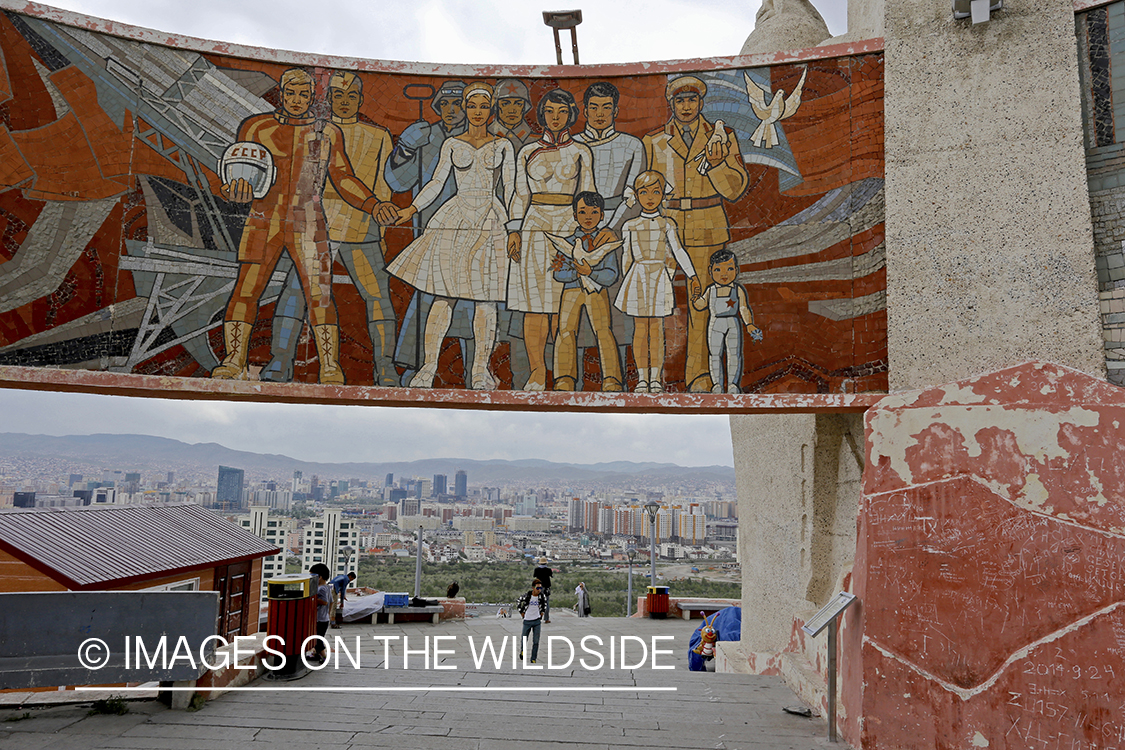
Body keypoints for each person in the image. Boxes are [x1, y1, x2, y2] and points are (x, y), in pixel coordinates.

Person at [212, 68, 391, 385]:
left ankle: (330, 366)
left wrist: (372, 204)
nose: (296, 100)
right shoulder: (257, 127)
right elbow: (237, 174)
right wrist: (231, 191)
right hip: (263, 219)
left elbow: (343, 177)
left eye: (303, 94)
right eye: (291, 93)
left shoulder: (326, 133)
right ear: (281, 93)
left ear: (313, 97)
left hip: (308, 219)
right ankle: (233, 361)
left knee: (320, 295)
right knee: (246, 290)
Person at [260, 71, 399, 386]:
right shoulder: (315, 132)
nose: (345, 102)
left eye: (351, 97)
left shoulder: (378, 136)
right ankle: (280, 362)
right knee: (296, 294)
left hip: (362, 227)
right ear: (329, 99)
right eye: (338, 96)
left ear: (360, 100)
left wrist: (383, 230)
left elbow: (383, 186)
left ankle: (385, 368)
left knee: (378, 297)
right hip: (316, 225)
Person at [389, 81, 518, 390]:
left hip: (490, 218)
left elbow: (511, 188)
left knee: (485, 299)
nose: (477, 112)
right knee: (443, 295)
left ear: (491, 109)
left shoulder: (503, 145)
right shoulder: (452, 144)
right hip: (456, 216)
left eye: (483, 106)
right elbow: (436, 182)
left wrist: (514, 227)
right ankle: (428, 366)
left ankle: (479, 370)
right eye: (471, 106)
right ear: (464, 108)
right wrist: (411, 209)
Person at [643, 76, 749, 392]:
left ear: (701, 102)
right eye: (680, 100)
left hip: (708, 220)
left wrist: (716, 165)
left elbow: (735, 189)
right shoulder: (654, 142)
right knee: (655, 301)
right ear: (671, 104)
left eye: (692, 100)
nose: (686, 106)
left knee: (702, 302)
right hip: (667, 223)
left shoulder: (723, 136)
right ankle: (650, 376)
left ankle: (700, 376)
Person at [507, 88, 596, 390]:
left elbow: (588, 195)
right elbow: (520, 194)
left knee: (563, 303)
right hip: (534, 224)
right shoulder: (527, 151)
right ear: (541, 115)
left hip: (569, 225)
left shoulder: (582, 151)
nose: (554, 118)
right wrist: (514, 230)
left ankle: (562, 370)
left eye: (561, 111)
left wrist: (585, 235)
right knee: (535, 303)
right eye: (548, 112)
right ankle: (536, 371)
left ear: (570, 114)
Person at [614, 170, 701, 392]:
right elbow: (626, 257)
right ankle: (642, 378)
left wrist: (692, 275)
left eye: (656, 191)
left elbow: (678, 251)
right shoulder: (630, 225)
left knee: (657, 329)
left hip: (659, 276)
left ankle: (655, 378)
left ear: (663, 195)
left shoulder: (667, 224)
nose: (650, 197)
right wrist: (628, 283)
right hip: (638, 276)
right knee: (640, 329)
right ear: (637, 195)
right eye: (644, 192)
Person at [550, 191, 622, 391]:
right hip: (572, 291)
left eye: (593, 212)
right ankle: (564, 378)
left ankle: (611, 379)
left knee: (603, 331)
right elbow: (558, 273)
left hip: (596, 292)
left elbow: (611, 274)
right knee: (565, 331)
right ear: (574, 215)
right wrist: (576, 271)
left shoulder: (605, 242)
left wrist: (591, 273)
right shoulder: (568, 243)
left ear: (601, 216)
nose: (588, 217)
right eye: (582, 212)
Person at [691, 248, 763, 394]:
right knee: (715, 354)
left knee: (734, 354)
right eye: (718, 270)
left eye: (729, 269)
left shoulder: (737, 289)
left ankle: (732, 384)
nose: (724, 274)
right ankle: (717, 384)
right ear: (711, 271)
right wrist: (695, 297)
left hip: (733, 323)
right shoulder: (711, 290)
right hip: (715, 323)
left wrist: (749, 323)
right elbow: (701, 304)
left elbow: (743, 308)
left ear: (736, 270)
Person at [488, 79, 535, 150]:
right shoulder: (486, 136)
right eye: (505, 104)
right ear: (496, 106)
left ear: (525, 107)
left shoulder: (534, 139)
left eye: (518, 104)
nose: (512, 110)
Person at [517, 579, 548, 662]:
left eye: (540, 588)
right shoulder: (527, 596)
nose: (539, 590)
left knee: (536, 641)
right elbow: (518, 601)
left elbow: (545, 603)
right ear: (533, 588)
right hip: (527, 620)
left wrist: (542, 612)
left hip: (537, 621)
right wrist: (521, 612)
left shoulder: (542, 596)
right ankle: (523, 651)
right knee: (524, 638)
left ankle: (533, 658)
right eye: (537, 588)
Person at [309, 563, 333, 663]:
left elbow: (325, 602)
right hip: (324, 618)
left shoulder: (321, 589)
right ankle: (315, 654)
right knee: (317, 638)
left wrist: (313, 599)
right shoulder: (327, 587)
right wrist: (328, 614)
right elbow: (331, 602)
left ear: (320, 577)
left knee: (318, 639)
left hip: (320, 619)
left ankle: (323, 656)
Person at [532, 556, 554, 623]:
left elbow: (534, 576)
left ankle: (537, 617)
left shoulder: (537, 570)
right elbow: (551, 575)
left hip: (538, 588)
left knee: (537, 602)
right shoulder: (548, 570)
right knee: (546, 603)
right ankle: (546, 618)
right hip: (546, 588)